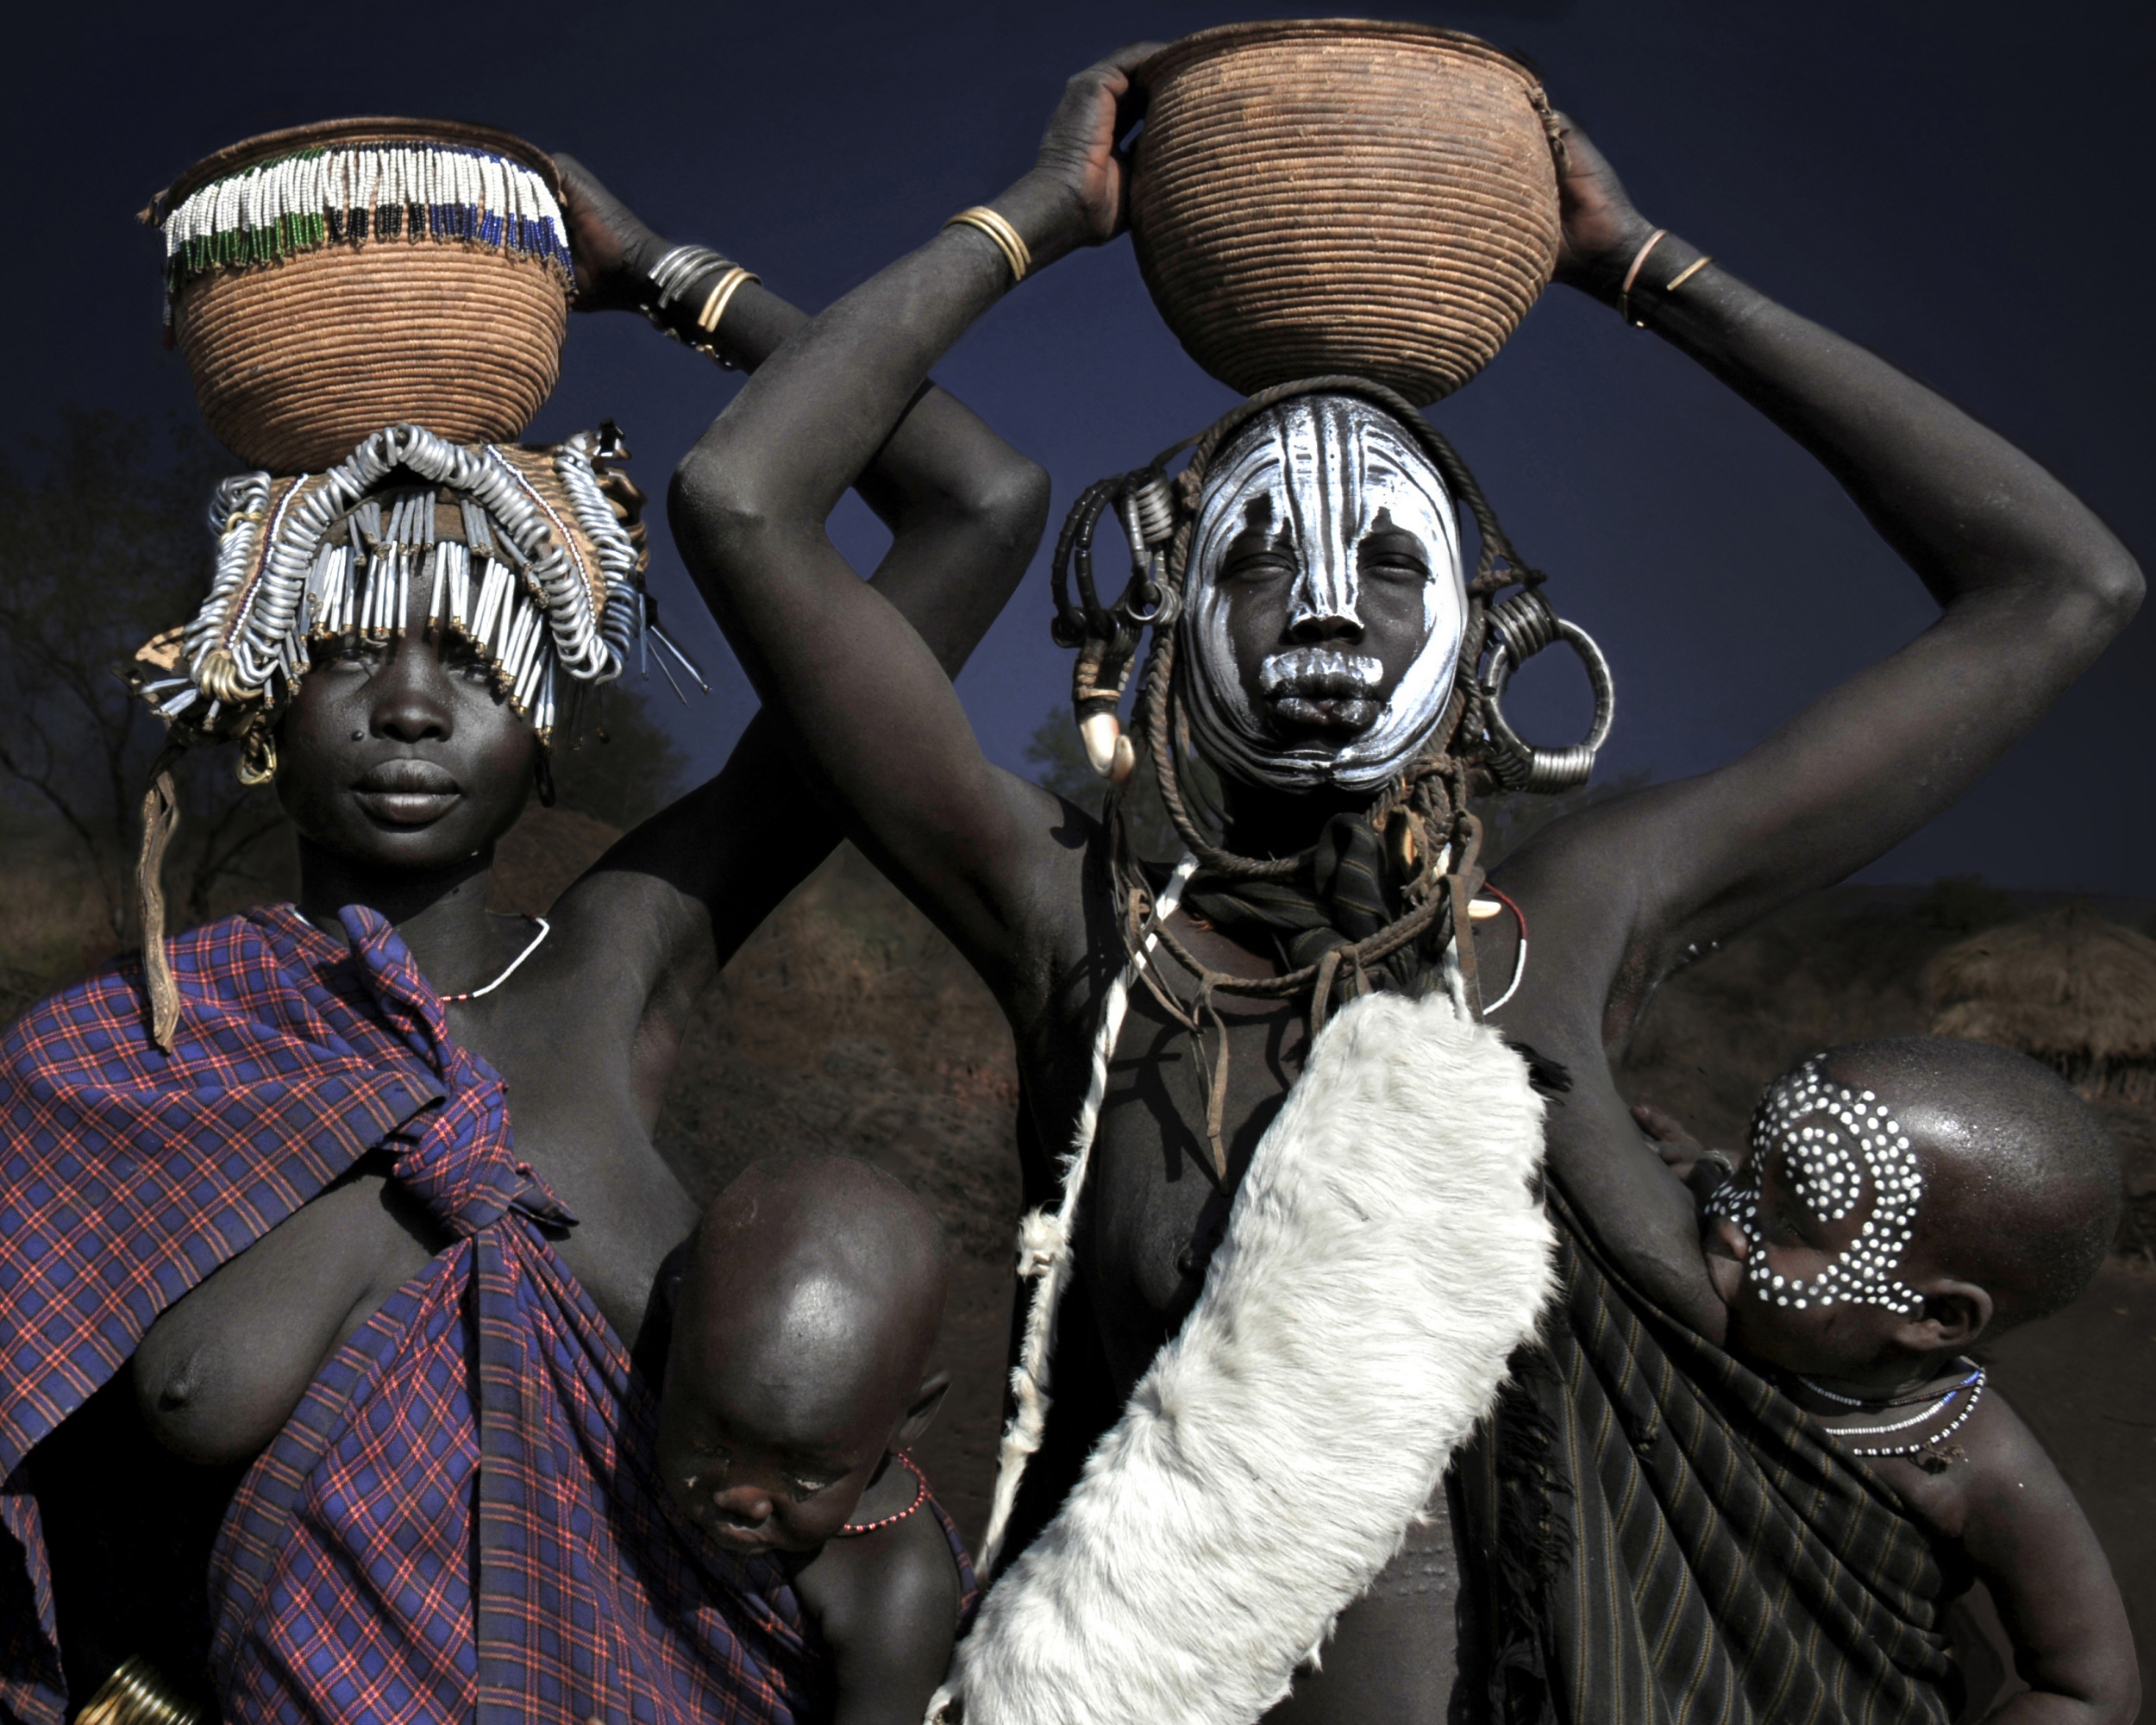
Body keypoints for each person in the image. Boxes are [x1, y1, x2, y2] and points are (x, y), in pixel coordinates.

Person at [670, 38, 2142, 1723]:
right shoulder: (1081, 926)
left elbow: (2059, 589)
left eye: (1386, 561)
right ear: (1164, 628)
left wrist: (1646, 272)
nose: (1322, 607)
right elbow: (744, 501)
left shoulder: (1563, 927)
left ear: (1480, 638)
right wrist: (1039, 216)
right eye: (1254, 559)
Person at [0, 141, 1044, 1723]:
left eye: (479, 663)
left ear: (552, 721)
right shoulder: (126, 1071)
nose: (413, 708)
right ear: (264, 695)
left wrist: (670, 280)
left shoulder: (625, 962)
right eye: (349, 653)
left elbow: (977, 504)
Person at [1635, 1039, 2139, 1722]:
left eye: (1791, 1221)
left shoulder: (1984, 1463)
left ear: (1933, 1317)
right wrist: (1706, 1167)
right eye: (1748, 1172)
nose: (1730, 1220)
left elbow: (2090, 1692)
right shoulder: (1751, 1294)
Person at [658, 1156, 973, 1725]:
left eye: (803, 1476)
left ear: (911, 1418)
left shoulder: (896, 1589)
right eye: (710, 1447)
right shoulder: (621, 1367)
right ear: (670, 1325)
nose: (743, 1498)